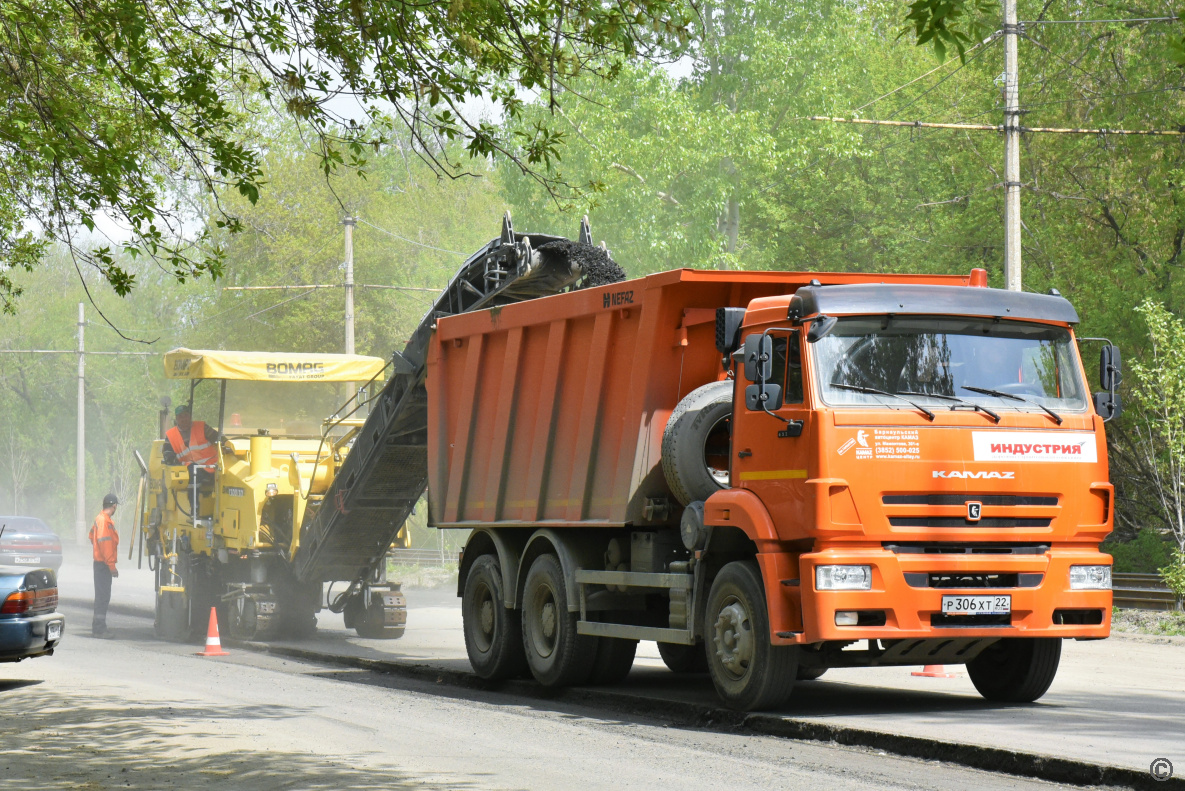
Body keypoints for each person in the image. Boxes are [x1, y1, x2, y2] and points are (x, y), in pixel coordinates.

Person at [163, 405, 232, 516]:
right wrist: (171, 460)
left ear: (190, 416)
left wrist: (229, 446)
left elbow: (218, 438)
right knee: (193, 473)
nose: (183, 419)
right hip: (191, 468)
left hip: (212, 466)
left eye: (185, 415)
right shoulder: (171, 435)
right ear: (177, 419)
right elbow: (167, 452)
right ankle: (195, 509)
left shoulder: (201, 427)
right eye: (180, 416)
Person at [88, 493, 119, 638]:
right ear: (114, 506)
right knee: (103, 597)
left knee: (101, 596)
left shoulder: (99, 519)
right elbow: (106, 545)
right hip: (103, 565)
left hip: (100, 563)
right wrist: (111, 566)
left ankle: (98, 627)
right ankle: (99, 629)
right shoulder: (104, 522)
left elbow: (91, 536)